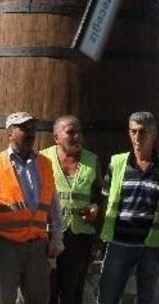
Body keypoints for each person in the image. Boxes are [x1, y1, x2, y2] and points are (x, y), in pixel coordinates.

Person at [0, 111, 65, 304]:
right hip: (5, 246)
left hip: (37, 246)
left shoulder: (45, 164)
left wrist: (57, 237)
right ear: (10, 133)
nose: (30, 133)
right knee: (2, 299)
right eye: (23, 128)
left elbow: (54, 204)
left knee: (38, 299)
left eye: (32, 128)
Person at [98, 111, 159, 304]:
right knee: (108, 296)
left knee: (147, 298)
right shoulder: (117, 163)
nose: (137, 137)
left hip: (150, 246)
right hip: (119, 243)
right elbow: (105, 201)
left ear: (154, 134)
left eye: (143, 132)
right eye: (133, 131)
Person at [41, 115, 102, 304]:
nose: (77, 137)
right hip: (48, 236)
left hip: (79, 237)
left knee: (72, 293)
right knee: (47, 292)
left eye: (79, 132)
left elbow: (99, 195)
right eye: (70, 132)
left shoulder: (92, 160)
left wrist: (95, 207)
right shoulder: (43, 158)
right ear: (56, 137)